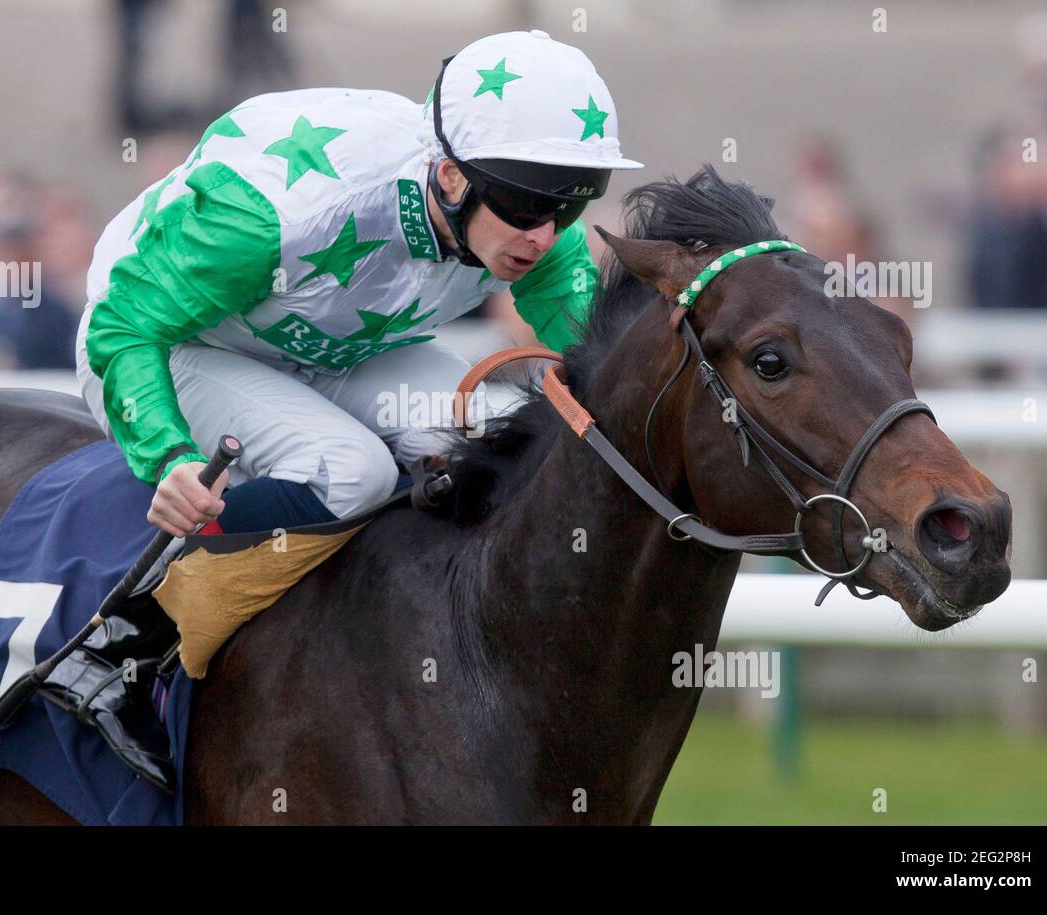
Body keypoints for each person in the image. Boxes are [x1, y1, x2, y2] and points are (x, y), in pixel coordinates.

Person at [62, 30, 642, 790]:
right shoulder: (273, 213)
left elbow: (602, 364)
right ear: (450, 177)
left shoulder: (526, 219)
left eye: (573, 202)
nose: (546, 233)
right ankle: (120, 648)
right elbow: (126, 325)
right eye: (531, 203)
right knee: (350, 468)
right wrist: (169, 457)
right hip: (168, 339)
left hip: (327, 346)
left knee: (494, 422)